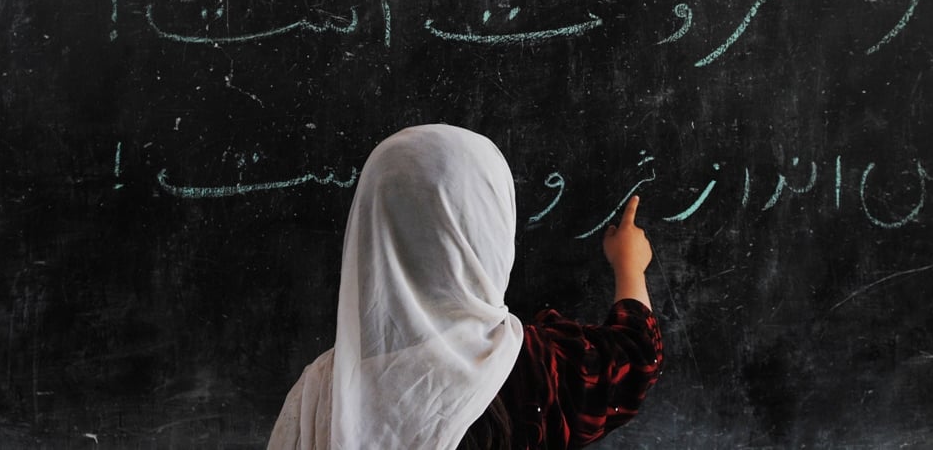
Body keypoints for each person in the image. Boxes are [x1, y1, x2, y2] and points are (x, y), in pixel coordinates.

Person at [267, 124, 662, 449]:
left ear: (373, 224)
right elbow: (634, 359)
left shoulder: (323, 393)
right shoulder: (534, 369)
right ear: (490, 225)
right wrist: (630, 266)